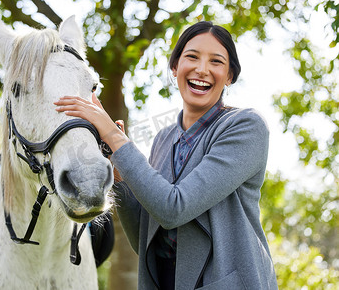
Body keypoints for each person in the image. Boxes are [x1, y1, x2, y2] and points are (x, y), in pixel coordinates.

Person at [54, 21, 278, 290]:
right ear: (175, 68)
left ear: (230, 76)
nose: (202, 69)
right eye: (192, 57)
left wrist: (114, 136)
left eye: (216, 62)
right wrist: (120, 175)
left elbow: (174, 208)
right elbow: (144, 238)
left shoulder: (246, 127)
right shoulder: (163, 139)